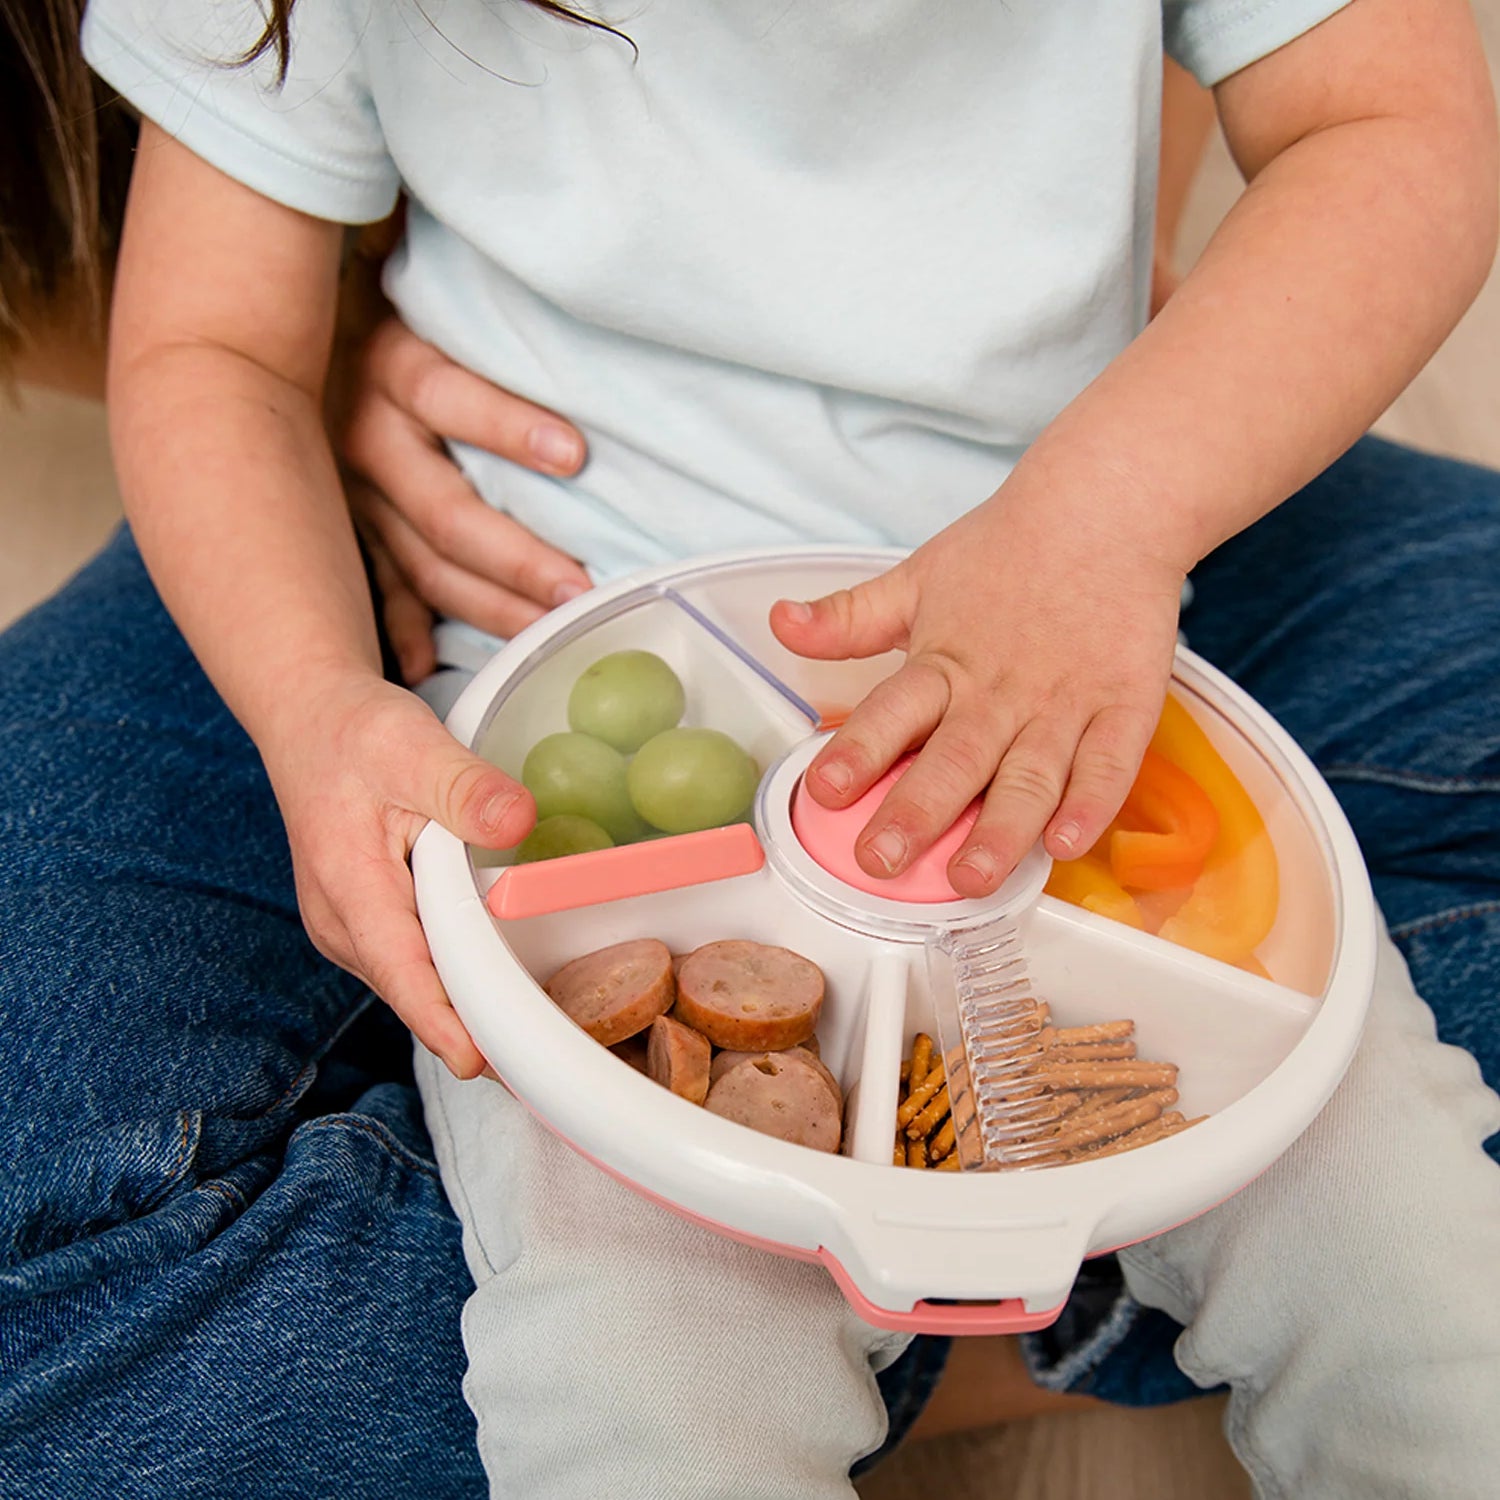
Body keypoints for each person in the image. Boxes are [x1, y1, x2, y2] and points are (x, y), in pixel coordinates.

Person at [5, 6, 1499, 1500]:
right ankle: (957, 1309)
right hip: (556, 682)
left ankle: (964, 1304)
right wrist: (311, 702)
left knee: (1419, 1297)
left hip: (1090, 665)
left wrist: (1111, 514)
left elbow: (1389, 122)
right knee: (642, 1392)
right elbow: (212, 344)